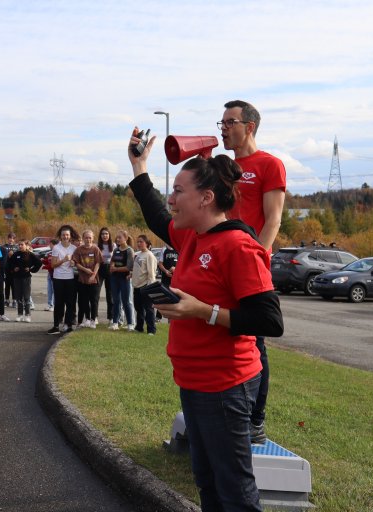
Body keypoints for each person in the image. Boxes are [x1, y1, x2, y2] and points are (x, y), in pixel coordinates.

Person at [128, 128, 283, 511]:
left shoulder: (238, 246)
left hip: (226, 386)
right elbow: (155, 213)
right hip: (194, 382)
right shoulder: (192, 237)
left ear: (207, 198)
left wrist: (203, 311)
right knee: (207, 481)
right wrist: (139, 166)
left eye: (179, 191)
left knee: (234, 490)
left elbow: (269, 321)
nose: (172, 199)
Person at [220, 100, 287, 444]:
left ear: (249, 127)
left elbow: (273, 218)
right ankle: (224, 409)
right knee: (221, 334)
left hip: (250, 265)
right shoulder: (224, 168)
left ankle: (255, 420)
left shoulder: (269, 164)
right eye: (221, 122)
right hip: (221, 265)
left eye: (230, 121)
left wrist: (258, 255)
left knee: (254, 340)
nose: (223, 128)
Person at [47, 225, 78, 335]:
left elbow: (75, 264)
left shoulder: (74, 248)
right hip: (58, 278)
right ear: (60, 236)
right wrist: (63, 260)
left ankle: (68, 325)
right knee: (59, 302)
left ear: (70, 236)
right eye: (63, 235)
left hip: (70, 278)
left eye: (67, 235)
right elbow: (53, 265)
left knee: (70, 302)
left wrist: (73, 263)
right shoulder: (56, 248)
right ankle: (56, 326)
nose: (65, 237)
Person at [6, 239, 42, 322]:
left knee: (26, 297)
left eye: (22, 245)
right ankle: (20, 315)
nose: (20, 246)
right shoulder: (16, 254)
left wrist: (31, 269)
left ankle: (27, 315)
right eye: (19, 245)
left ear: (27, 245)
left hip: (26, 278)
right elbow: (9, 264)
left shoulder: (30, 255)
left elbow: (39, 263)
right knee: (18, 297)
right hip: (17, 278)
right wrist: (14, 269)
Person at [72, 229, 102, 328]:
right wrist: (85, 270)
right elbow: (76, 263)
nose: (88, 239)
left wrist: (93, 275)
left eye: (90, 237)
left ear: (92, 238)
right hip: (82, 279)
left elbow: (98, 262)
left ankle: (94, 319)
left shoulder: (95, 249)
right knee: (84, 301)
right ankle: (87, 319)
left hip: (94, 279)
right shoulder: (79, 250)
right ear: (83, 238)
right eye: (86, 237)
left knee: (93, 301)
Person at [131, 234, 158, 335]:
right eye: (138, 242)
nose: (139, 243)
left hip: (146, 285)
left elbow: (151, 273)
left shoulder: (149, 255)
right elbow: (137, 269)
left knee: (148, 308)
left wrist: (150, 286)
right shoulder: (138, 254)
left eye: (141, 241)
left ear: (146, 243)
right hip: (136, 286)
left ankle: (151, 330)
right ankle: (139, 327)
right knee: (138, 308)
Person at [108, 230, 134, 331]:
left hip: (124, 278)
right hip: (114, 278)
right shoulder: (116, 250)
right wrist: (111, 266)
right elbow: (112, 261)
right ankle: (115, 323)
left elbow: (129, 267)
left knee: (126, 301)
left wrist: (116, 269)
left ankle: (130, 324)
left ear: (126, 238)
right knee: (116, 301)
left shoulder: (129, 250)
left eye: (120, 238)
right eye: (117, 238)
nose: (118, 239)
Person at [157, 243, 179, 321]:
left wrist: (175, 269)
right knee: (163, 295)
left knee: (174, 297)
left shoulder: (178, 249)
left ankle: (172, 317)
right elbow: (160, 264)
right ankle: (158, 316)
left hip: (175, 277)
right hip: (166, 277)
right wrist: (166, 271)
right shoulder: (164, 249)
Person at [97, 227, 114, 323]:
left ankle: (111, 317)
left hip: (110, 270)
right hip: (99, 269)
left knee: (110, 295)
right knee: (96, 294)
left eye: (106, 234)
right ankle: (94, 317)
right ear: (100, 235)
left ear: (109, 235)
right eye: (103, 234)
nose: (104, 235)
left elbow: (116, 258)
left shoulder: (113, 245)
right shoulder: (97, 246)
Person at [3, 233, 19, 308]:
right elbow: (1, 257)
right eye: (10, 238)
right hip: (6, 269)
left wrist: (13, 255)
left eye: (13, 238)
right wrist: (7, 255)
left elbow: (18, 258)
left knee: (14, 286)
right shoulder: (4, 247)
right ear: (8, 238)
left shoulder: (17, 247)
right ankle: (6, 300)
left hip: (14, 270)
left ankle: (14, 300)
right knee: (7, 286)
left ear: (14, 239)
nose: (11, 239)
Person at [41, 239, 56, 311]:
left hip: (55, 274)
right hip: (49, 274)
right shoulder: (50, 253)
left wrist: (45, 267)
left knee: (54, 290)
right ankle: (49, 304)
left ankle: (53, 305)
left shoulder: (57, 253)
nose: (49, 246)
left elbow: (52, 264)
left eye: (50, 244)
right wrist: (43, 261)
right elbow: (48, 261)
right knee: (49, 290)